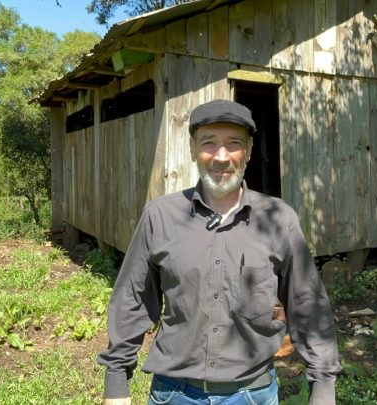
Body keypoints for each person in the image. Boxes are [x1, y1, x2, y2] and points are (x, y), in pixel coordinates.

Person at [98, 99, 341, 405]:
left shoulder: (280, 219)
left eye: (234, 144)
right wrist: (116, 383)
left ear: (249, 151)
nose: (221, 156)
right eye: (209, 143)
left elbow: (308, 304)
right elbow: (131, 300)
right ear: (192, 150)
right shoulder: (160, 216)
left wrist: (323, 389)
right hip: (173, 393)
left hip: (252, 394)